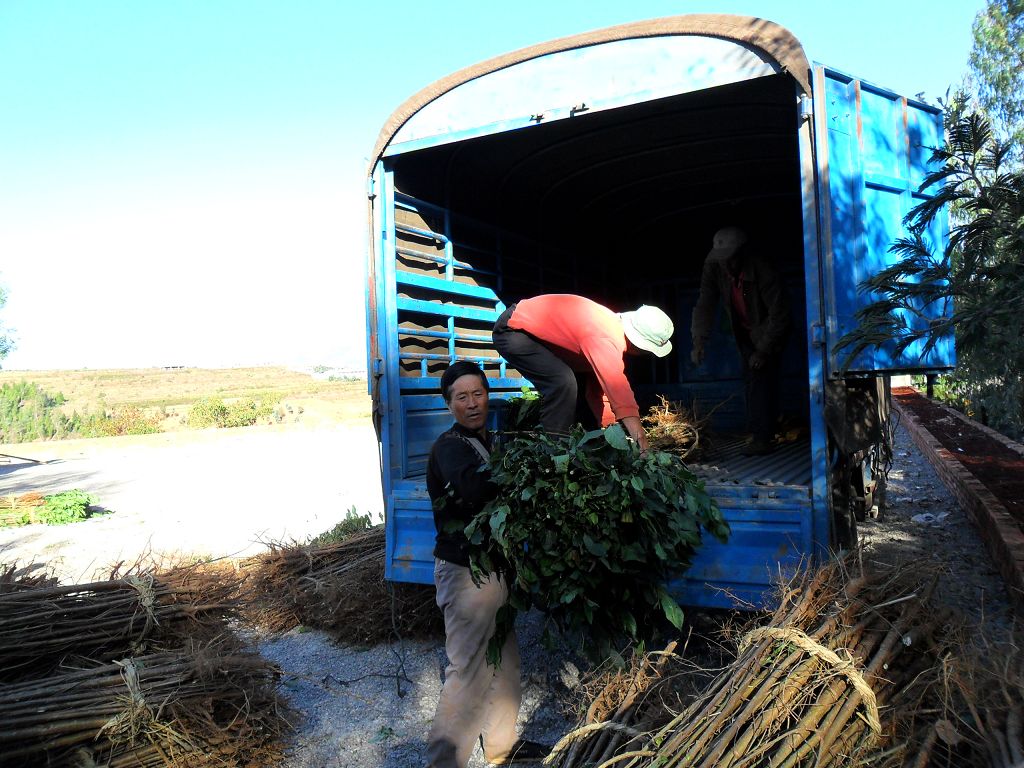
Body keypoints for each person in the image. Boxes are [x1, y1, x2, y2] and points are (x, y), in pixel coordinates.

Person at [425, 361, 550, 768]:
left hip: (495, 570)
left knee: (504, 661)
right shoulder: (448, 446)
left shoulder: (492, 440)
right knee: (469, 672)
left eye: (478, 393)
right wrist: (517, 474)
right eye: (461, 397)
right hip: (467, 574)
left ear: (488, 395)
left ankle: (501, 748)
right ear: (449, 405)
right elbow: (475, 489)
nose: (472, 403)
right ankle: (445, 762)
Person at [491, 295, 674, 452]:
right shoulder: (605, 337)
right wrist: (642, 443)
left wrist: (611, 433)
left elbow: (597, 391)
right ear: (640, 345)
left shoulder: (608, 333)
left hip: (530, 333)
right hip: (513, 330)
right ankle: (552, 454)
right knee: (563, 382)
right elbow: (619, 392)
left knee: (570, 385)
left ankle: (569, 448)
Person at [690, 226, 790, 455]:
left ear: (742, 254)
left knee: (761, 376)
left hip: (770, 330)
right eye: (722, 260)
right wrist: (698, 340)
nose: (726, 265)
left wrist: (763, 350)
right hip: (743, 330)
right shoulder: (714, 266)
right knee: (752, 378)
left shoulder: (763, 270)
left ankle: (763, 437)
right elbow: (705, 303)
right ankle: (760, 430)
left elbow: (780, 315)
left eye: (731, 260)